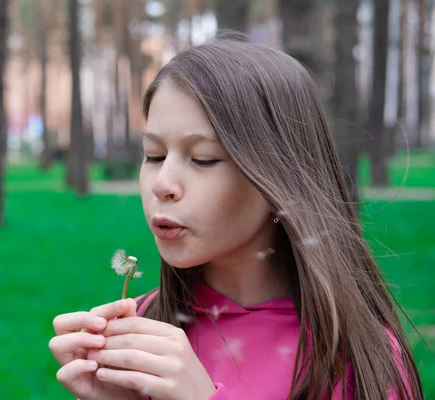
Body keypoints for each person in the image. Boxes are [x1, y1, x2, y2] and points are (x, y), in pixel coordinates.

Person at [48, 34, 423, 400]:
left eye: (203, 159)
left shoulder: (354, 356)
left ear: (279, 176)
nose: (162, 184)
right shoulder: (145, 325)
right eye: (155, 155)